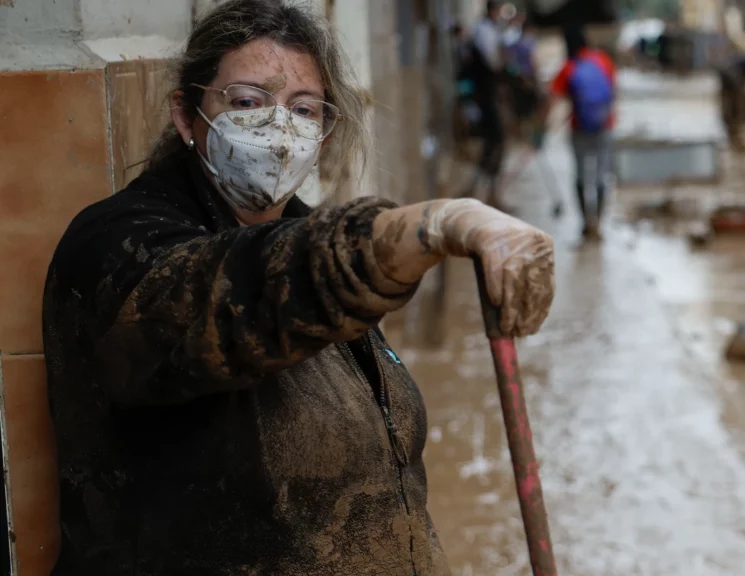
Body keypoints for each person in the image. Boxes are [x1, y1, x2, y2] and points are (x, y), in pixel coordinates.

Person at [42, 1, 555, 574]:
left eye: (303, 109)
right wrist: (420, 230)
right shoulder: (116, 246)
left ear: (324, 134)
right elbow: (223, 299)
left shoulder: (307, 235)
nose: (279, 129)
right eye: (246, 102)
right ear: (186, 115)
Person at [543, 25, 617, 239]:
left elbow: (553, 98)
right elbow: (612, 93)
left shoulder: (569, 67)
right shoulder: (604, 60)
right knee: (603, 175)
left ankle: (587, 223)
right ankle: (600, 223)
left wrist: (541, 128)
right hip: (605, 125)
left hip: (579, 128)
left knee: (582, 175)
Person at [463, 0, 508, 207]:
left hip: (487, 93)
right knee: (495, 140)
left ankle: (486, 191)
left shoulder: (489, 30)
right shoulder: (484, 31)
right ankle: (484, 192)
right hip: (483, 95)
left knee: (494, 142)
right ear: (493, 11)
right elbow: (493, 62)